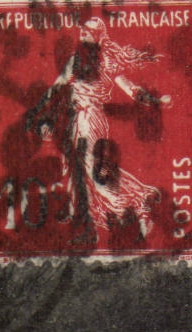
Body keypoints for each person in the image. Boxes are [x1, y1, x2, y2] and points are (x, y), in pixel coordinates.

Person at [33, 18, 173, 241]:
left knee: (93, 169)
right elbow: (58, 86)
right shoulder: (76, 60)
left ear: (98, 36)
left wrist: (156, 101)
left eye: (87, 32)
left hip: (91, 119)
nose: (82, 34)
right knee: (80, 168)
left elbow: (132, 90)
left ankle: (130, 209)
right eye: (82, 31)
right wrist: (39, 113)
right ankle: (135, 202)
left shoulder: (108, 61)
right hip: (76, 119)